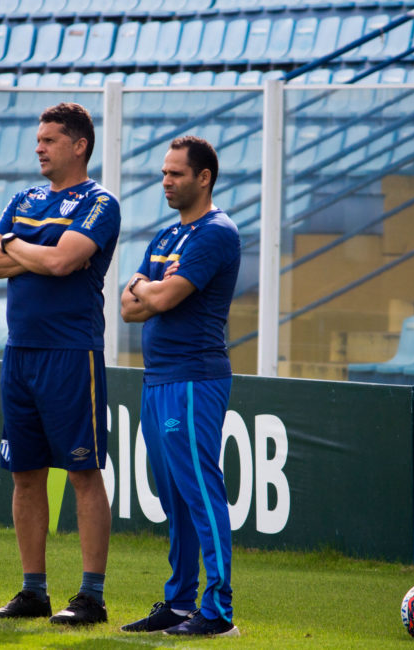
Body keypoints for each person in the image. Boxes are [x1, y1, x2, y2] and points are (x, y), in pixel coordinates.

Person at [0, 102, 120, 625]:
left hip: (70, 352)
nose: (39, 146)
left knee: (83, 472)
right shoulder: (25, 198)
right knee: (25, 473)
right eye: (38, 139)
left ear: (79, 145)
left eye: (50, 139)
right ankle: (32, 591)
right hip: (20, 353)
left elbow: (64, 261)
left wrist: (16, 242)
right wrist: (36, 247)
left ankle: (91, 596)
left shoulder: (100, 202)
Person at [120, 136, 241, 637]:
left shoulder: (216, 233)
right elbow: (126, 306)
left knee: (200, 492)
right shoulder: (167, 237)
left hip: (193, 379)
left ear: (203, 177)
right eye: (164, 173)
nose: (165, 181)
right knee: (176, 498)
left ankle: (218, 613)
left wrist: (148, 288)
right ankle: (178, 603)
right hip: (159, 379)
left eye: (175, 174)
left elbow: (160, 296)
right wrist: (150, 291)